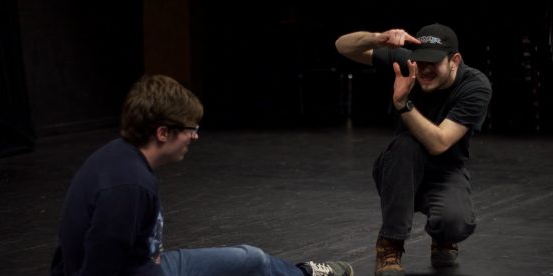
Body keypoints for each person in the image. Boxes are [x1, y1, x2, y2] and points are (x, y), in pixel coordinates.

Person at [50, 74, 354, 276]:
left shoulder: (120, 156)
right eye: (190, 129)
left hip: (146, 266)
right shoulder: (128, 186)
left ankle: (304, 273)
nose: (195, 137)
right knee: (251, 260)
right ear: (163, 132)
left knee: (251, 258)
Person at [335, 23, 492, 274]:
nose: (425, 70)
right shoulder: (408, 62)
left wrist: (403, 104)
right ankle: (390, 244)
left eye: (433, 63)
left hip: (446, 169)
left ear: (455, 60)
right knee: (407, 145)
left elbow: (440, 142)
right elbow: (342, 46)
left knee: (455, 221)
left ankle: (443, 236)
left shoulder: (474, 85)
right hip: (400, 168)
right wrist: (379, 38)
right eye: (421, 62)